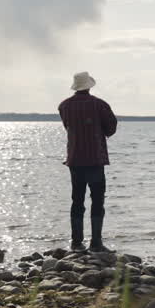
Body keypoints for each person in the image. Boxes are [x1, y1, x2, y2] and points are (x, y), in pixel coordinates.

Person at [58, 71, 117, 252]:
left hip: (75, 159)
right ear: (89, 86)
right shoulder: (100, 105)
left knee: (77, 200)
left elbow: (68, 127)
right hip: (95, 159)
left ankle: (76, 242)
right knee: (97, 200)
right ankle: (96, 243)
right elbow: (111, 128)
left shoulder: (64, 106)